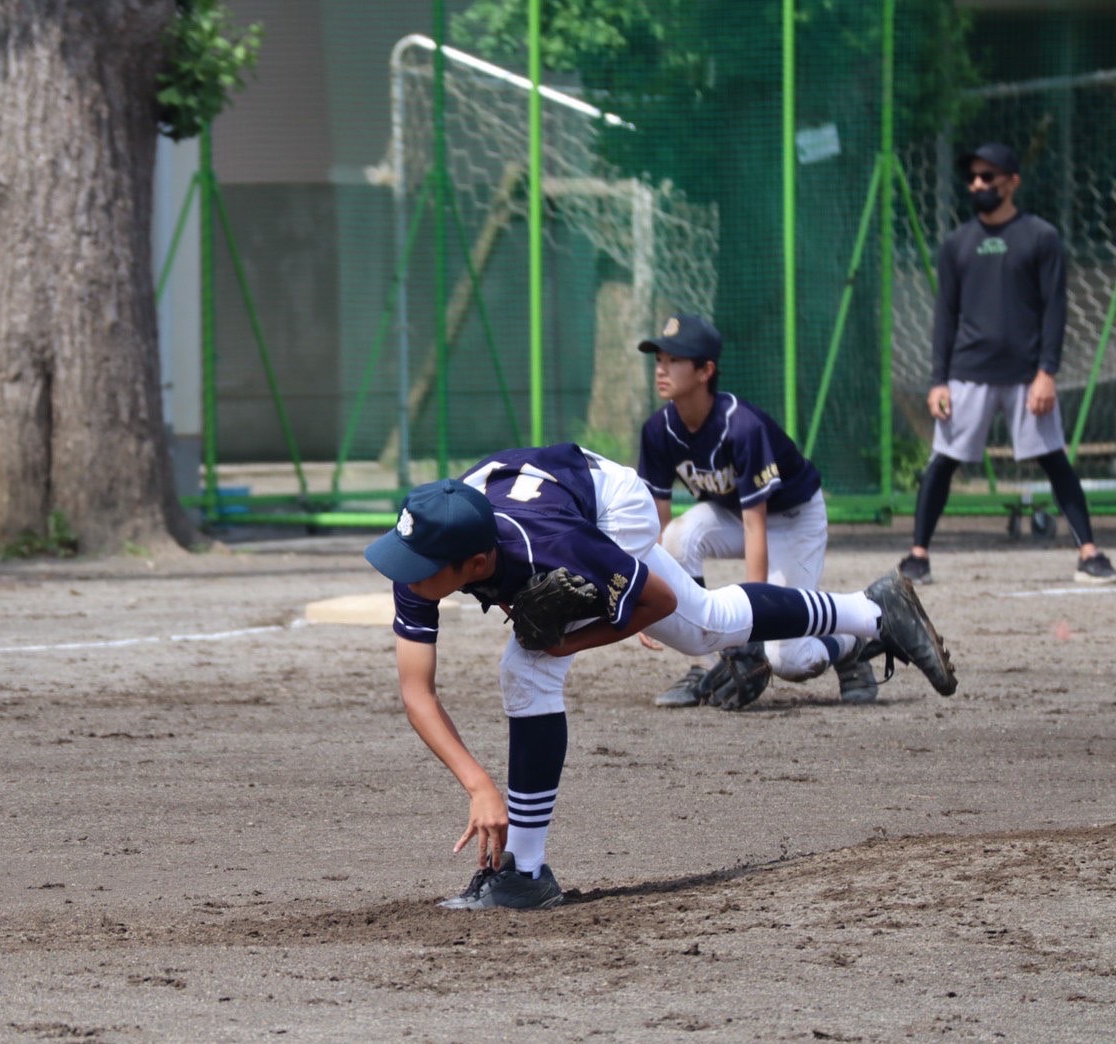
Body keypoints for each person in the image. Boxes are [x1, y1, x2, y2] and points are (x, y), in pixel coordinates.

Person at [364, 443, 958, 910]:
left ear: (472, 567)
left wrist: (566, 638)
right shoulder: (428, 543)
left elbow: (655, 603)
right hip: (547, 497)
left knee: (529, 668)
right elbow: (416, 690)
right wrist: (478, 785)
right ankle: (873, 611)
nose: (405, 574)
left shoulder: (555, 549)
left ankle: (522, 872)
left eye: (418, 570)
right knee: (710, 627)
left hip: (607, 506)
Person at [635, 314, 877, 708]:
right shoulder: (658, 431)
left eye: (675, 359)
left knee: (787, 659)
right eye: (659, 358)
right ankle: (703, 667)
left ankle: (851, 642)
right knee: (680, 536)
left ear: (705, 370)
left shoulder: (741, 427)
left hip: (795, 519)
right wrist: (645, 599)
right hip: (731, 514)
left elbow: (755, 527)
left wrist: (753, 628)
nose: (662, 368)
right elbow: (656, 526)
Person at [901, 141, 1115, 585]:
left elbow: (1055, 308)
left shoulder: (1040, 237)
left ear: (1012, 181)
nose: (978, 184)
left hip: (1026, 376)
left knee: (1054, 459)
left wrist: (1047, 373)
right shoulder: (957, 244)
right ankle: (918, 555)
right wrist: (938, 381)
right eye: (973, 177)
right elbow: (945, 315)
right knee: (943, 462)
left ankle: (1090, 554)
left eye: (988, 176)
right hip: (967, 373)